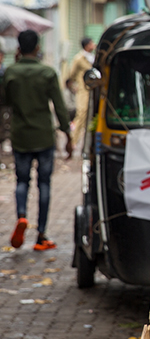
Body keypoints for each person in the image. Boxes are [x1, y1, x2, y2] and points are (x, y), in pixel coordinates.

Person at [4, 30, 73, 251]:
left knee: (21, 181)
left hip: (20, 135)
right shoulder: (47, 73)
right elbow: (60, 107)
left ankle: (22, 216)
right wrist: (67, 134)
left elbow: (4, 100)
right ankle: (41, 235)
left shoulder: (10, 72)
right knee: (44, 184)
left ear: (18, 48)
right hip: (43, 135)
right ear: (37, 47)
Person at [67, 37, 95, 148]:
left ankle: (88, 143)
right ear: (87, 45)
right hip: (83, 90)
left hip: (93, 90)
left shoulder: (92, 57)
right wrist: (75, 86)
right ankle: (73, 141)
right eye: (91, 43)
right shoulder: (79, 58)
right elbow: (72, 74)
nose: (94, 45)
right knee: (82, 113)